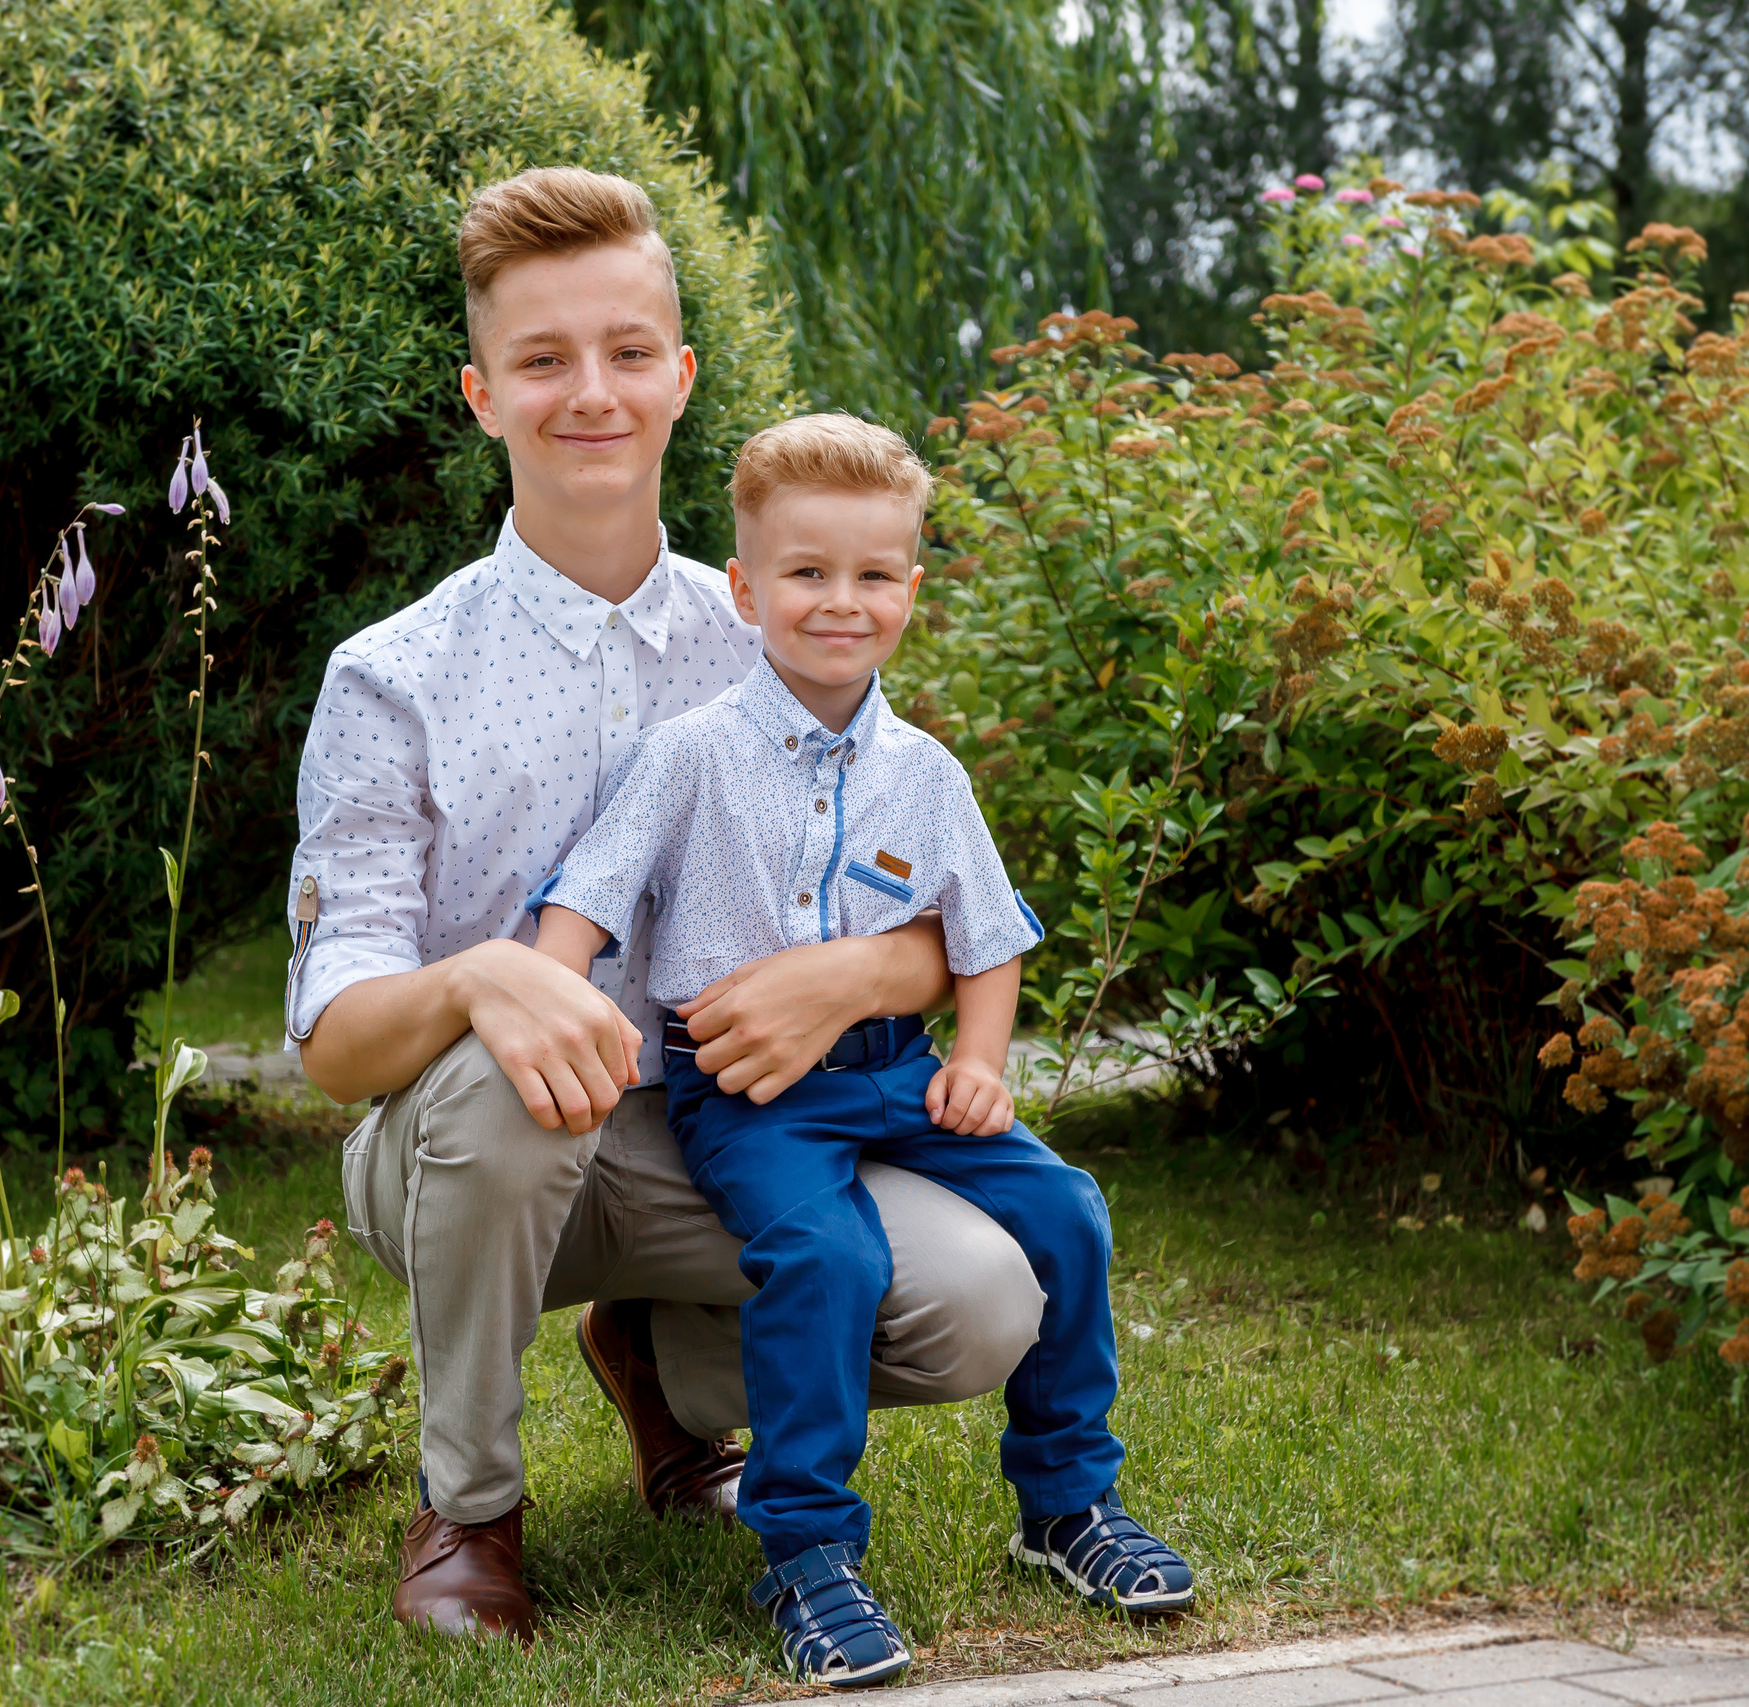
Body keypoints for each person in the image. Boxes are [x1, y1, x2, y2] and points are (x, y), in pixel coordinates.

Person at [287, 167, 1049, 1644]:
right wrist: (477, 984)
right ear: (481, 393)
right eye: (544, 359)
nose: (594, 393)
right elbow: (332, 1037)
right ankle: (472, 1504)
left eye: (629, 351)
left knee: (981, 1297)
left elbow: (934, 901)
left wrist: (854, 977)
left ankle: (668, 1363)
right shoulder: (394, 674)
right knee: (521, 1090)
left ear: (681, 376)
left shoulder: (778, 622)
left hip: (735, 1129)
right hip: (468, 1156)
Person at [531, 413, 1194, 1689]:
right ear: (746, 587)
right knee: (828, 1255)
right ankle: (807, 1554)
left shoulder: (927, 773)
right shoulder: (691, 755)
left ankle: (1065, 1505)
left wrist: (983, 1062)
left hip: (897, 1073)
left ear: (911, 588)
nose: (841, 601)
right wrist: (557, 1001)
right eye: (807, 572)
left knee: (1067, 1213)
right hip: (754, 1097)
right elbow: (590, 895)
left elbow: (984, 934)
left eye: (873, 574)